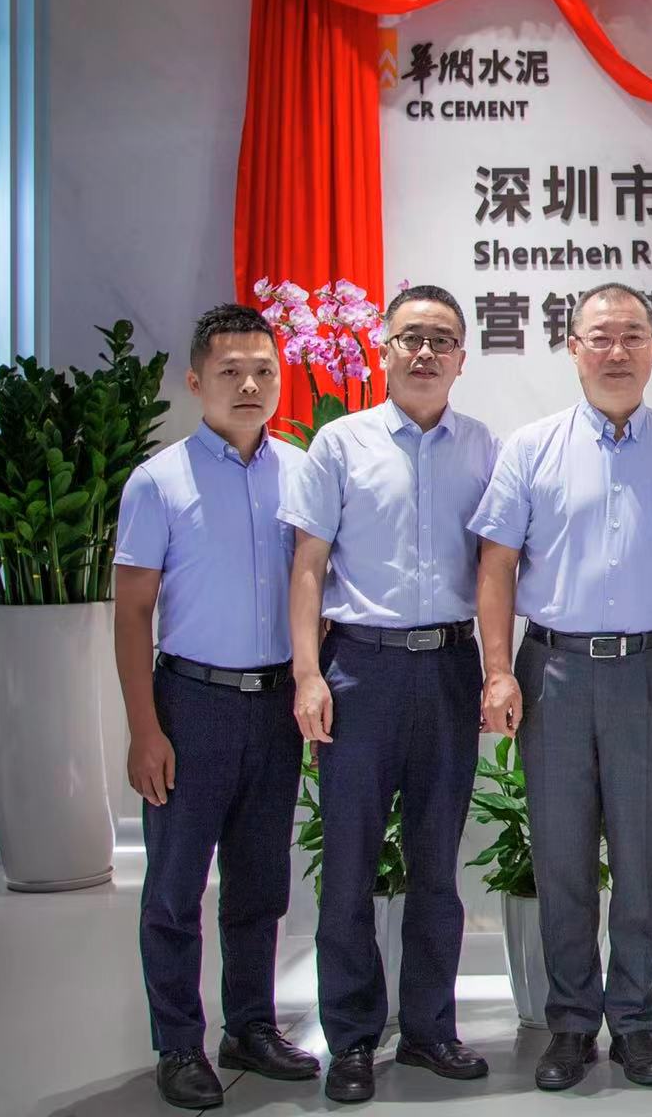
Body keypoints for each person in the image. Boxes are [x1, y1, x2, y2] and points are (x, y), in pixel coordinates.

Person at [470, 282, 652, 1092]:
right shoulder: (531, 448)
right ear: (573, 348)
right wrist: (498, 669)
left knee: (642, 858)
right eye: (601, 337)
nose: (617, 352)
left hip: (648, 669)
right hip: (554, 672)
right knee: (563, 856)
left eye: (632, 336)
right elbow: (497, 567)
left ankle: (637, 1023)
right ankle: (572, 1023)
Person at [280, 285, 500, 1104]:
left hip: (448, 668)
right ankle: (351, 1039)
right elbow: (307, 567)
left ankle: (431, 1029)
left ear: (462, 358)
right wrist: (308, 673)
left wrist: (497, 667)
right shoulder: (340, 443)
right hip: (359, 670)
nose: (425, 352)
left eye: (442, 339)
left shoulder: (483, 448)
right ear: (384, 349)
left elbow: (497, 569)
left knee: (436, 866)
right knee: (349, 866)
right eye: (411, 337)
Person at [114, 304, 319, 1110]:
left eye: (264, 370)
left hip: (274, 705)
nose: (250, 384)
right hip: (190, 703)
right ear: (196, 381)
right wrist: (144, 729)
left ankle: (250, 1027)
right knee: (174, 889)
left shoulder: (301, 472)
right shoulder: (157, 482)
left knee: (260, 882)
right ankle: (177, 1044)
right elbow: (132, 612)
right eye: (231, 371)